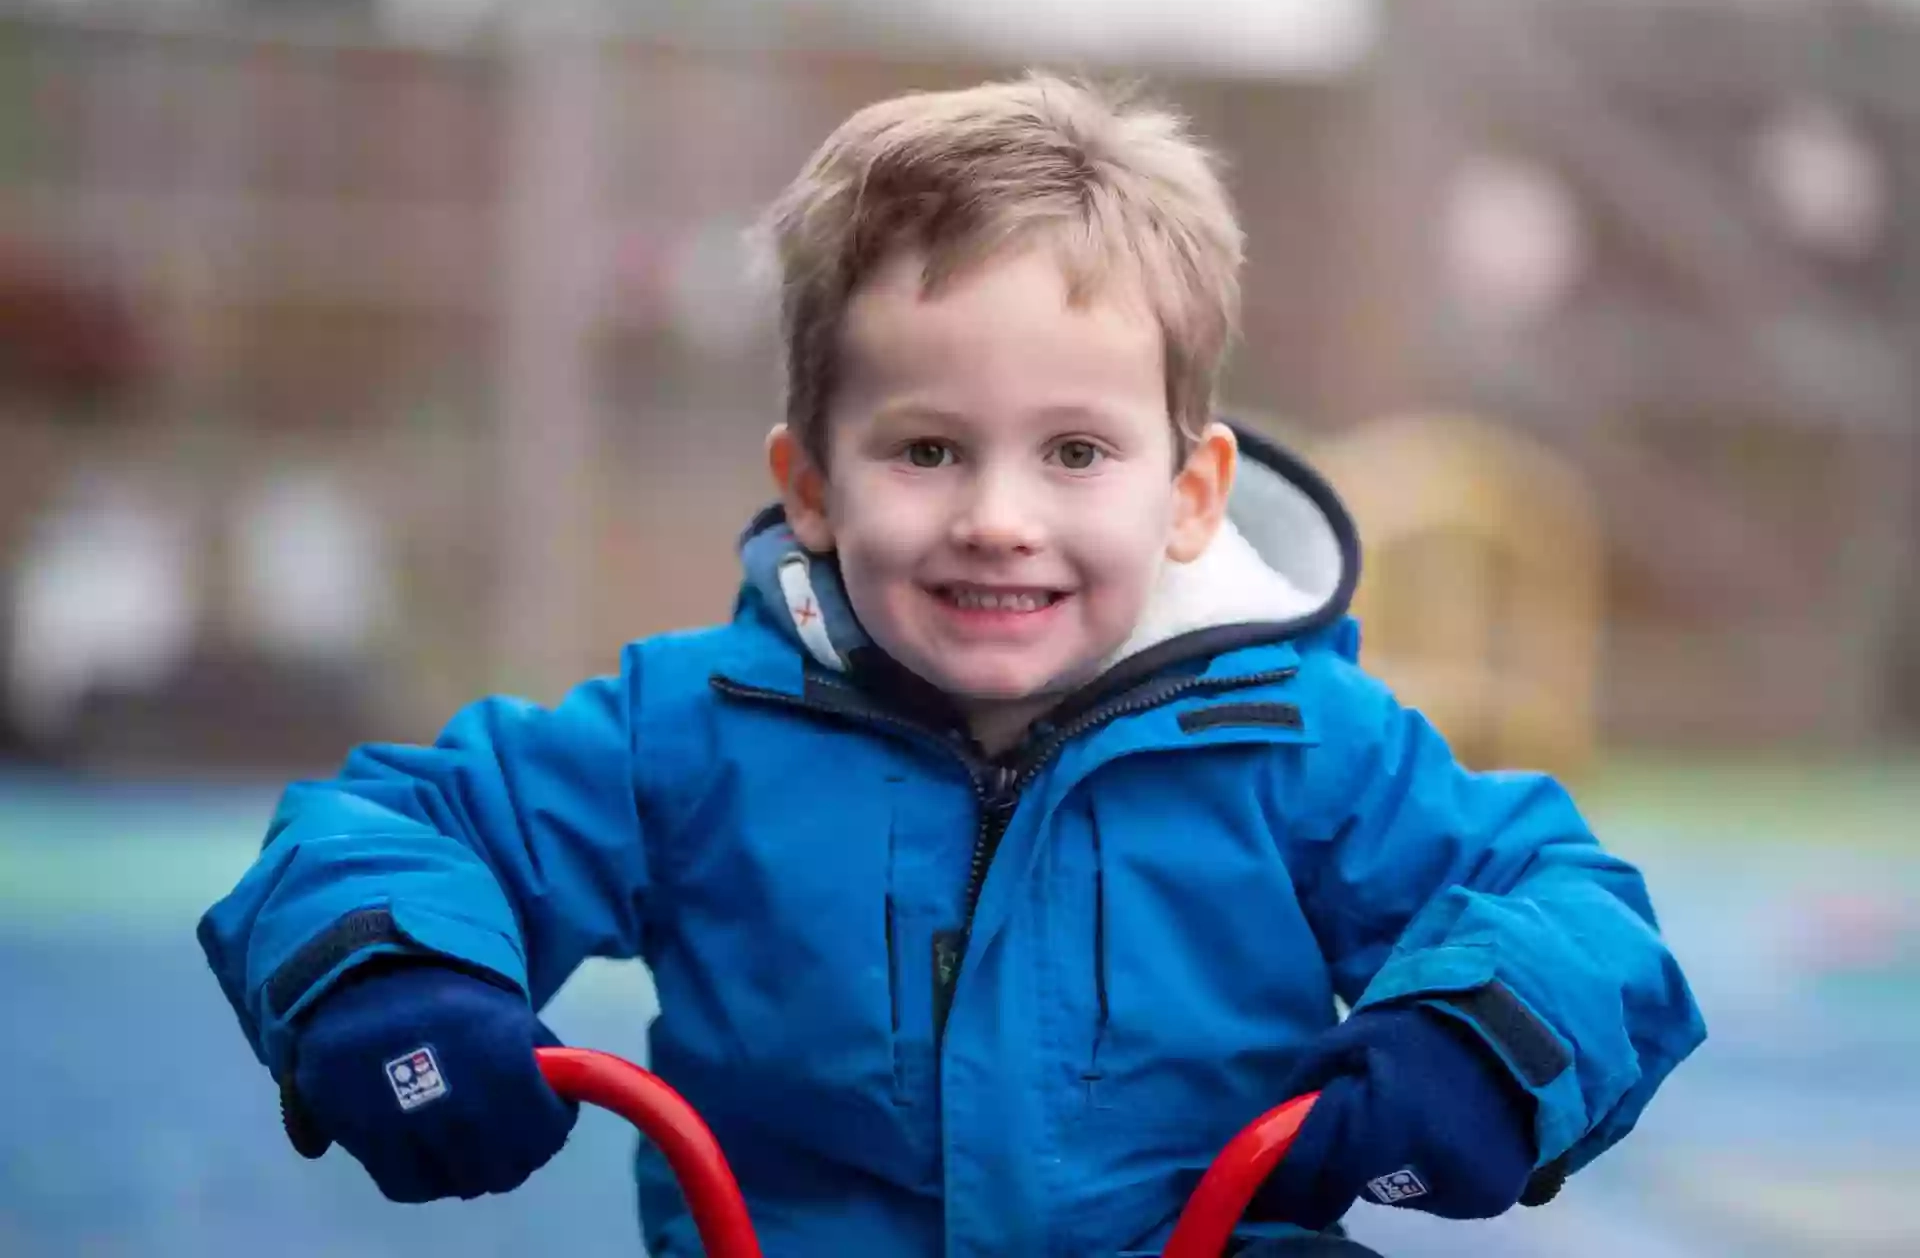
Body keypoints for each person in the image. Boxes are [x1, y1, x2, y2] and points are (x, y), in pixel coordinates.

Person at [198, 74, 1705, 1258]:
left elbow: (1568, 907)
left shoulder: (1301, 742)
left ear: (1188, 493)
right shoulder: (694, 732)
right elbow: (394, 830)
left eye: (1075, 451)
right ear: (810, 484)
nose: (998, 519)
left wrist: (1479, 1046)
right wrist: (394, 982)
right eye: (926, 448)